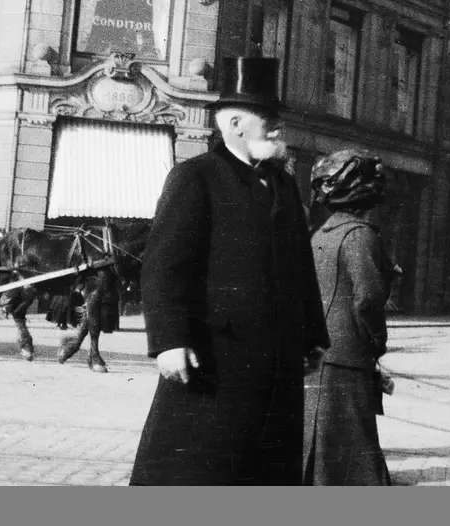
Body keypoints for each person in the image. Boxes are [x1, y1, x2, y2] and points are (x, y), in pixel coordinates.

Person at [130, 57, 329, 486]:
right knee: (202, 469)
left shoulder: (282, 183)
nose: (277, 128)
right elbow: (164, 266)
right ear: (236, 123)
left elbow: (301, 267)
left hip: (277, 362)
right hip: (216, 358)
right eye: (268, 118)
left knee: (265, 472)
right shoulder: (196, 176)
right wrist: (168, 341)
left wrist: (312, 335)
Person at [303, 150, 393, 486]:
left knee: (322, 440)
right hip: (349, 354)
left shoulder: (321, 234)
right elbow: (368, 298)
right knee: (353, 444)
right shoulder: (360, 235)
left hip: (323, 354)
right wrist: (378, 341)